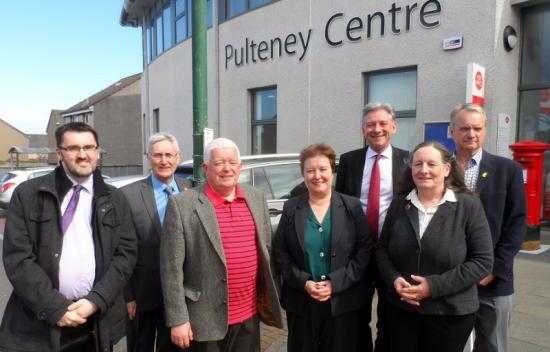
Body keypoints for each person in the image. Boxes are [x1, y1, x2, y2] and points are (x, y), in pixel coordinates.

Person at [0, 122, 137, 352]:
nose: (83, 155)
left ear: (97, 152)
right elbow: (18, 259)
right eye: (73, 148)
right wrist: (55, 308)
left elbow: (125, 255)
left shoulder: (115, 198)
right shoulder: (29, 194)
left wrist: (96, 300)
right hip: (39, 324)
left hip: (95, 324)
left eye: (89, 148)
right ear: (59, 154)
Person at [160, 137, 283, 351]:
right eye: (219, 163)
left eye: (232, 162)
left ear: (240, 166)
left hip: (249, 317)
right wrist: (178, 319)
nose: (227, 169)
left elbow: (267, 251)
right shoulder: (182, 205)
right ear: (206, 168)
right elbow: (171, 269)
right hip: (203, 321)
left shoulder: (256, 197)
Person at [376, 141, 494, 352]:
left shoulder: (468, 206)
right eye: (418, 164)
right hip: (401, 311)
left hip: (450, 313)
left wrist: (433, 286)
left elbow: (482, 261)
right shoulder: (399, 204)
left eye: (431, 164)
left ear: (447, 169)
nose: (424, 170)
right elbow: (382, 249)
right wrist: (394, 279)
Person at [272, 143, 372, 352]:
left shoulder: (351, 206)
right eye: (310, 170)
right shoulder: (291, 208)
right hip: (302, 302)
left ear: (333, 171)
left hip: (343, 302)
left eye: (323, 169)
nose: (317, 176)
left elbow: (364, 251)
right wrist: (303, 281)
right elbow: (280, 253)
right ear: (303, 174)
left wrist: (336, 283)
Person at [449, 103, 527, 352]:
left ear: (484, 131)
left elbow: (516, 224)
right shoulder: (437, 169)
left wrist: (494, 269)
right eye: (464, 128)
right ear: (451, 131)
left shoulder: (508, 170)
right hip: (448, 278)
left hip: (493, 281)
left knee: (492, 345)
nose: (471, 133)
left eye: (477, 128)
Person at [335, 102, 408, 352]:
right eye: (370, 124)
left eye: (382, 123)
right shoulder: (348, 161)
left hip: (393, 254)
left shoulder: (409, 160)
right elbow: (340, 206)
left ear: (394, 127)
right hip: (357, 253)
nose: (377, 129)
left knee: (391, 320)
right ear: (363, 130)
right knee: (356, 318)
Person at [123, 133, 191, 352]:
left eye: (169, 155)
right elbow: (122, 249)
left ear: (178, 157)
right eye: (158, 155)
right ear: (149, 158)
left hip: (181, 293)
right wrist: (128, 295)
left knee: (173, 347)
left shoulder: (189, 189)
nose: (164, 161)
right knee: (139, 346)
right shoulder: (128, 195)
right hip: (142, 293)